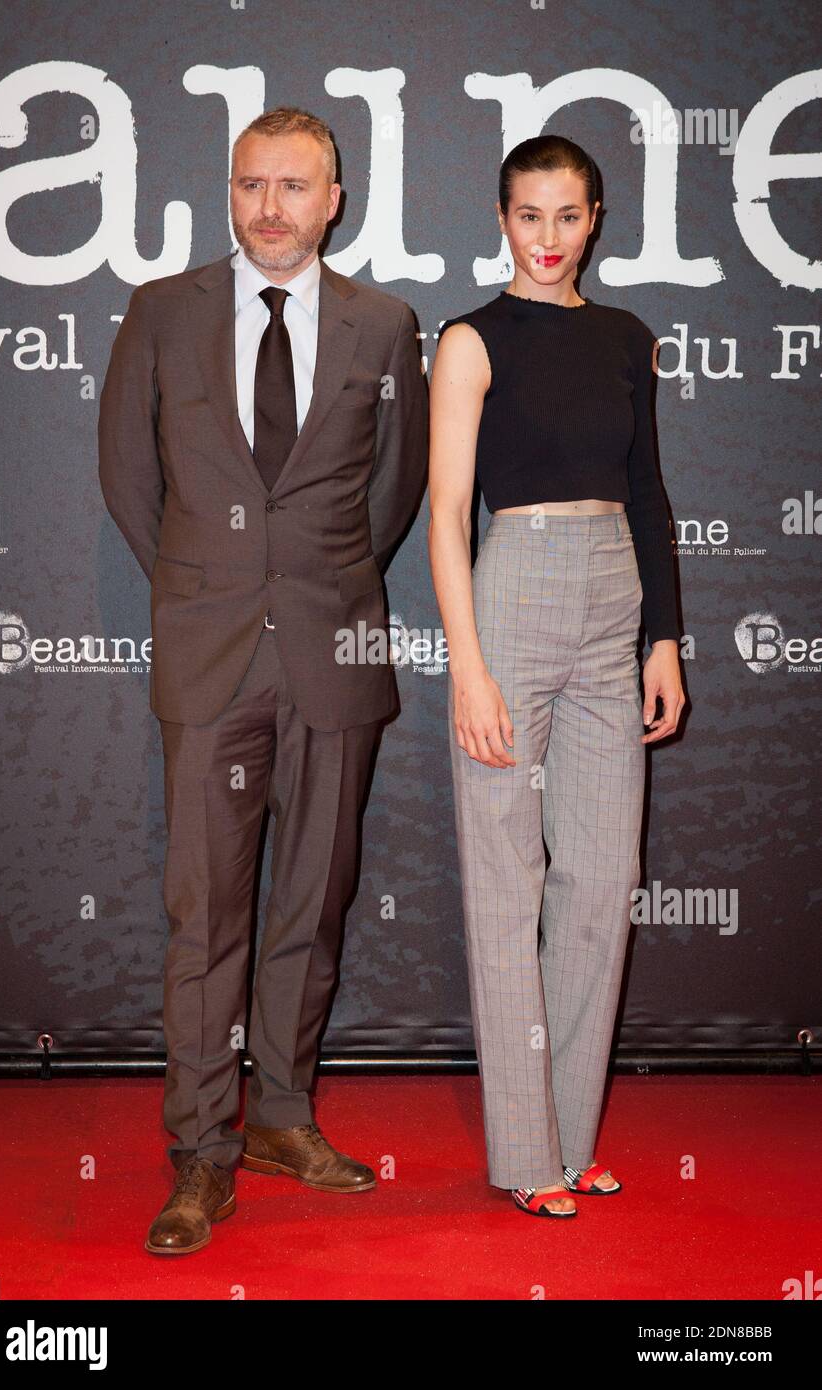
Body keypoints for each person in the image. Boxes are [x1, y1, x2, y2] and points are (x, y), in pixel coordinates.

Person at [98, 106, 428, 1254]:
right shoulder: (160, 315)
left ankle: (282, 1115)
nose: (271, 208)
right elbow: (130, 481)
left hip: (333, 652)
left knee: (310, 905)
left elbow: (391, 494)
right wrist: (212, 580)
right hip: (209, 650)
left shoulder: (384, 325)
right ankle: (199, 1151)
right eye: (251, 185)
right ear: (227, 192)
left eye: (295, 186)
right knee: (206, 918)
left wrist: (315, 584)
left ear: (333, 198)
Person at [428, 134, 684, 1219]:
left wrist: (662, 641)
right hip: (512, 590)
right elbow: (443, 515)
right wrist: (466, 668)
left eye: (566, 215)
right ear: (500, 218)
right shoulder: (470, 341)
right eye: (527, 215)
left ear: (593, 221)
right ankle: (524, 1154)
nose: (546, 238)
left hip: (611, 594)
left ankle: (571, 1140)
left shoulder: (627, 340)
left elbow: (650, 492)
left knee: (595, 881)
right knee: (504, 883)